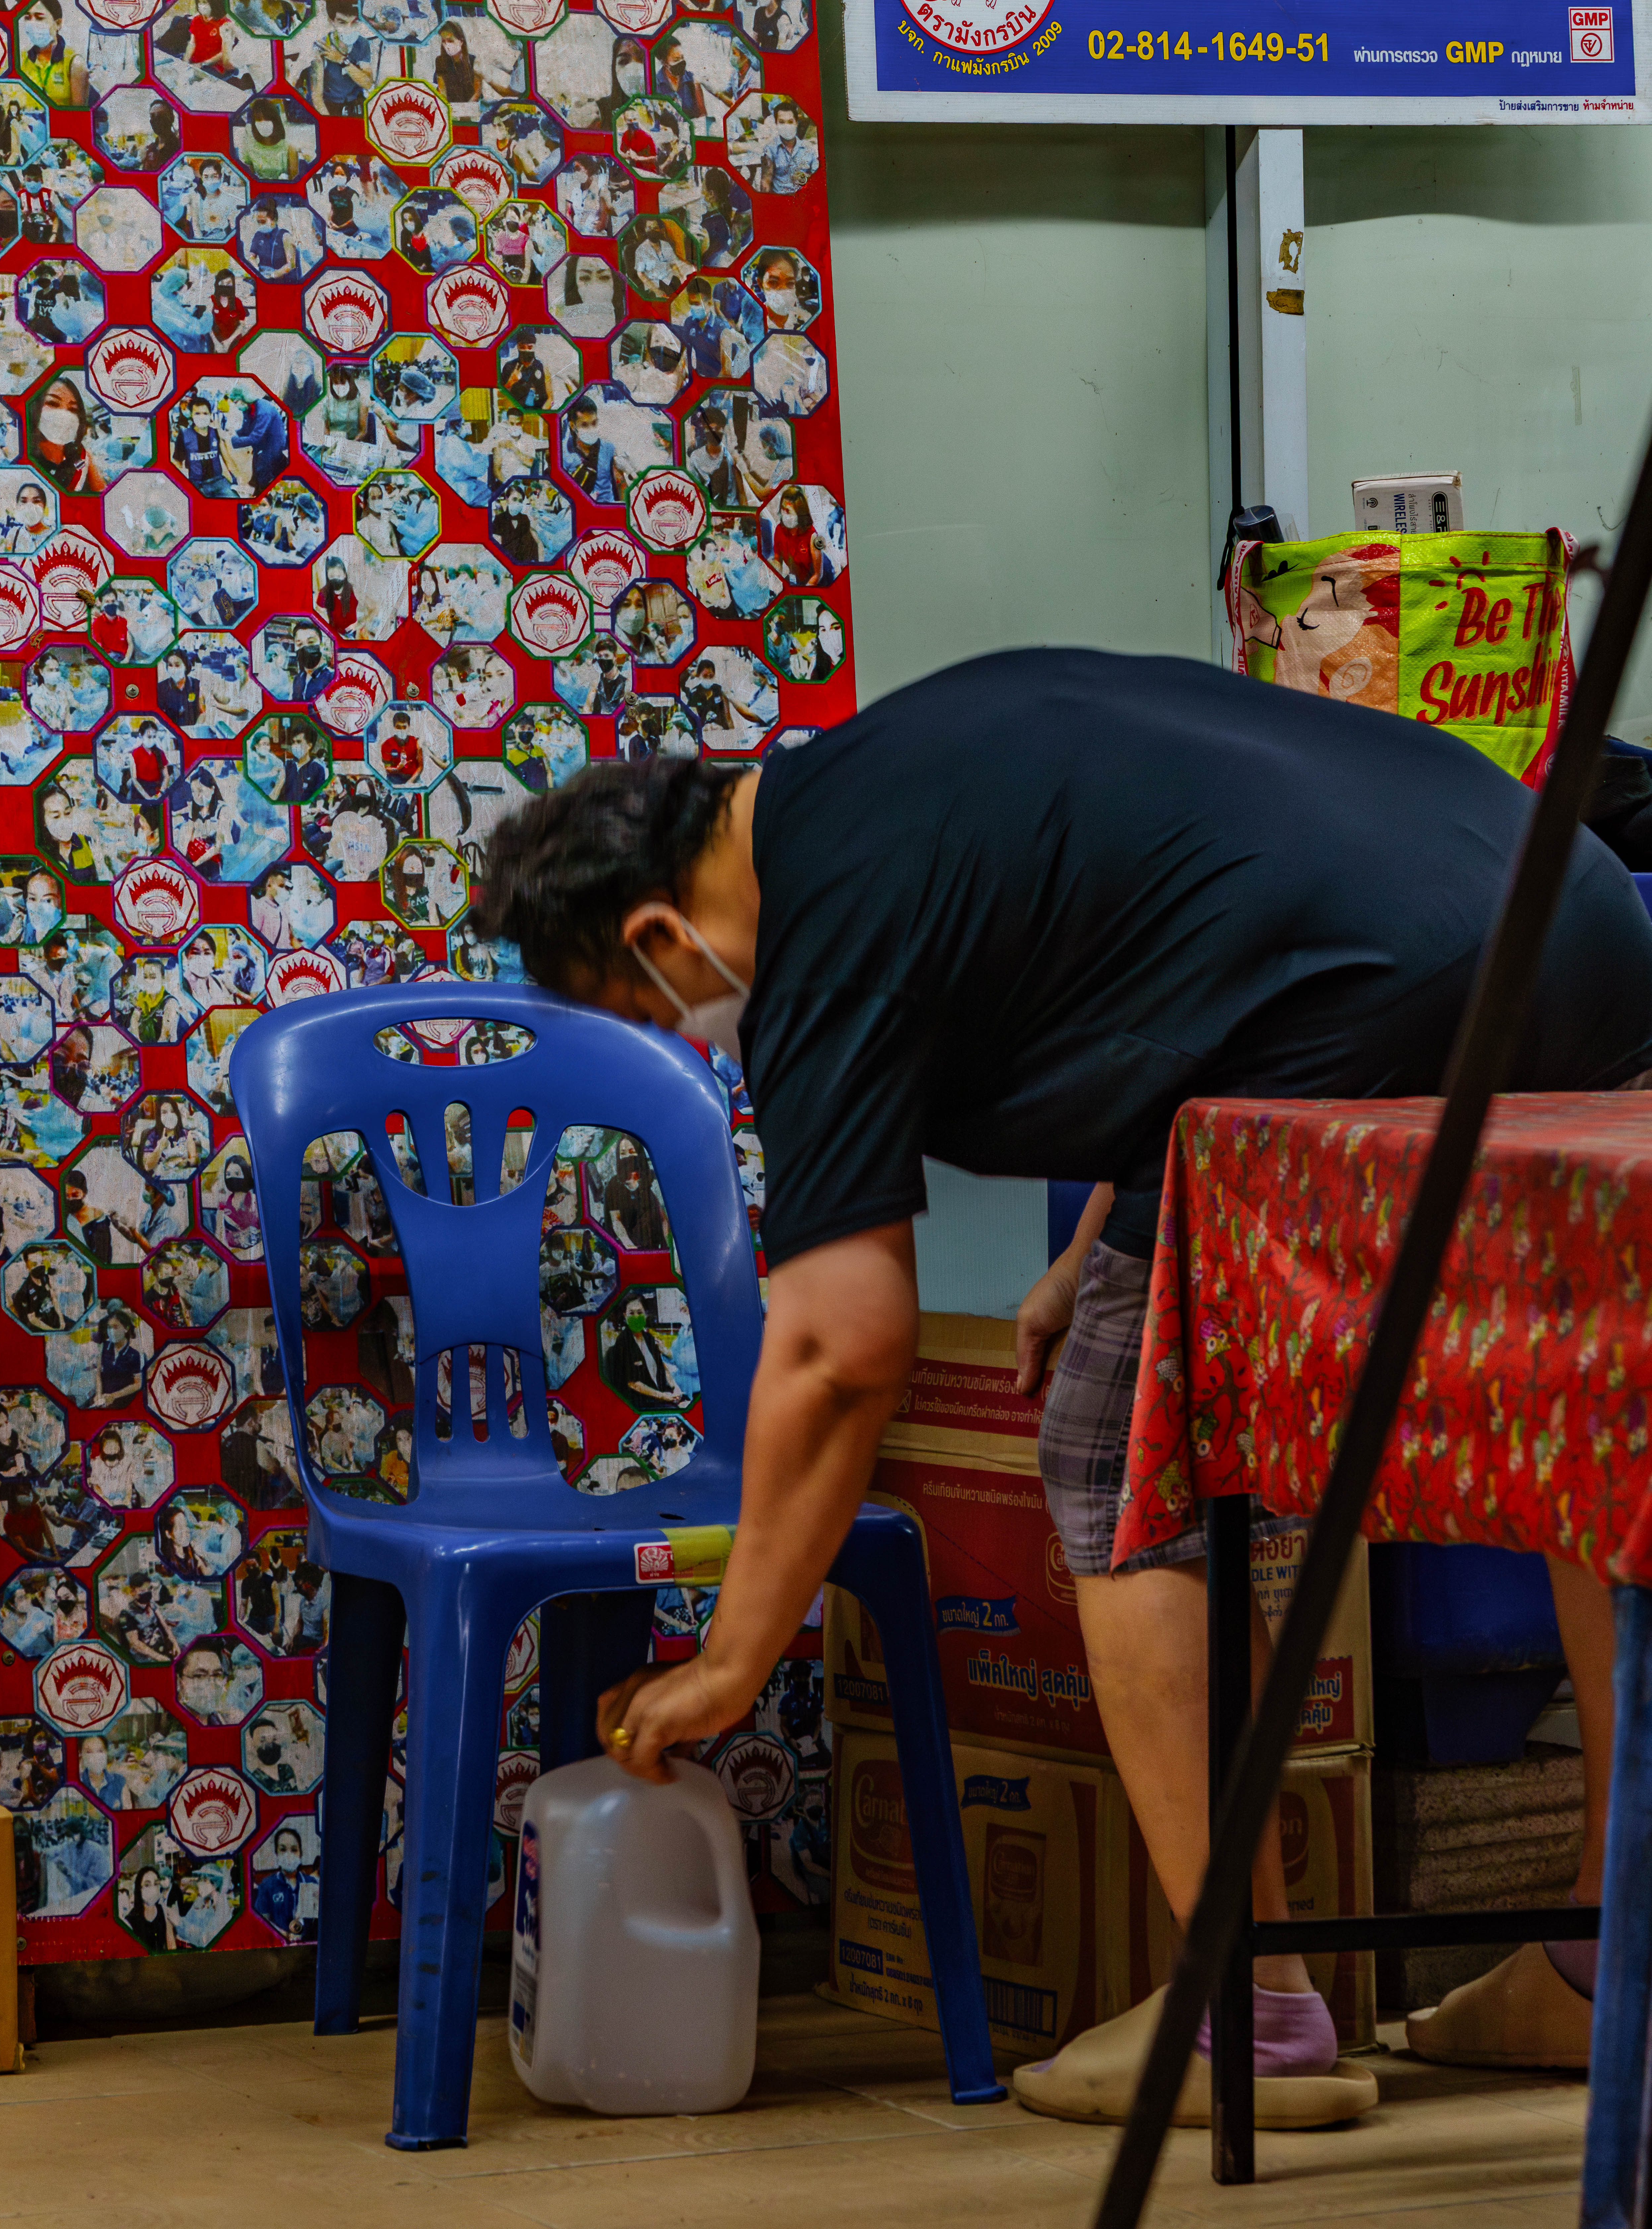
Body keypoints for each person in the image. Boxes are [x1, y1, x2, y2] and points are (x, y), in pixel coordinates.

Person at [476, 654, 1652, 2104]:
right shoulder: (902, 760)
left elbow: (841, 1345)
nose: (685, 1036)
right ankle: (1614, 1976)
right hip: (1584, 923)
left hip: (1385, 1001)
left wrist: (732, 1661)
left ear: (659, 929)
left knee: (1110, 1458)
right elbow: (1175, 937)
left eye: (653, 1012)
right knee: (1589, 1429)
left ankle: (1252, 2018)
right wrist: (1087, 1247)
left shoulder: (821, 931)